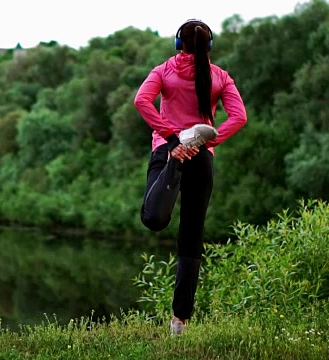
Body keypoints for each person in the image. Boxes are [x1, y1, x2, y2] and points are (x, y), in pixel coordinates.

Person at [133, 18, 247, 335]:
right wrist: (209, 142)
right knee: (191, 237)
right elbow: (239, 117)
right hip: (201, 157)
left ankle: (175, 158)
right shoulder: (220, 77)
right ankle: (179, 321)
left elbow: (141, 100)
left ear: (177, 44)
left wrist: (170, 138)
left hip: (166, 148)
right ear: (208, 47)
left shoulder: (163, 70)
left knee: (154, 219)